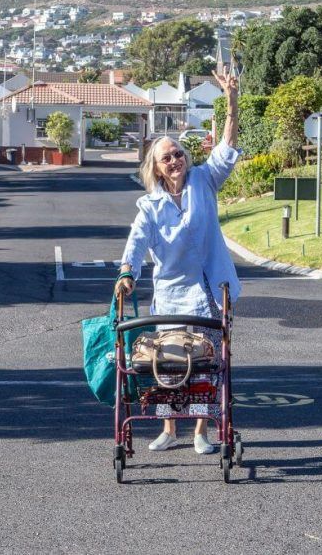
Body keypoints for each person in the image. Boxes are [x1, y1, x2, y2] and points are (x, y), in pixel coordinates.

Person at [115, 64, 241, 455]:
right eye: (166, 158)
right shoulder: (150, 206)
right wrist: (127, 273)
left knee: (205, 364)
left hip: (208, 291)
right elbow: (136, 242)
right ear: (155, 168)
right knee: (167, 364)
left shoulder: (205, 181)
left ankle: (202, 431)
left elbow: (226, 147)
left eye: (178, 154)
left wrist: (232, 101)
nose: (174, 160)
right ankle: (169, 429)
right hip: (169, 295)